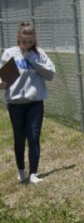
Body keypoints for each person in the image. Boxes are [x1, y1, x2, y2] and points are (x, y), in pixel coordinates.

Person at [1, 21, 56, 184]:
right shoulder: (9, 53)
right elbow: (3, 79)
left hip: (35, 102)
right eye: (24, 41)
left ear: (34, 40)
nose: (27, 45)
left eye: (30, 42)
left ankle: (33, 173)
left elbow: (50, 74)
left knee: (34, 136)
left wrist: (33, 59)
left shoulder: (39, 54)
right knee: (19, 138)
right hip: (16, 103)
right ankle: (21, 170)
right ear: (18, 37)